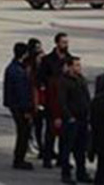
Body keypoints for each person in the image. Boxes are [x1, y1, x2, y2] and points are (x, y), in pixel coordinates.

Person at [38, 32, 70, 169]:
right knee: (50, 132)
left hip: (65, 99)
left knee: (65, 133)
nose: (66, 45)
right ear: (57, 43)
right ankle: (47, 157)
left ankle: (63, 159)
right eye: (63, 42)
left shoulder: (69, 58)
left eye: (67, 42)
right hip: (52, 99)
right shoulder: (48, 60)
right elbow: (41, 78)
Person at [58, 56, 91, 184]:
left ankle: (81, 172)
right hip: (72, 119)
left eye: (79, 65)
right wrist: (69, 116)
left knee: (81, 148)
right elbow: (62, 101)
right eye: (76, 65)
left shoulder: (81, 79)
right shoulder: (64, 81)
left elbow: (86, 97)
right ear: (70, 66)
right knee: (68, 147)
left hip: (83, 118)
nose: (79, 67)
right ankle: (66, 174)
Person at [4, 42, 34, 171]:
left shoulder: (14, 67)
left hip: (14, 104)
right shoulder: (18, 71)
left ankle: (19, 157)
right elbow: (22, 92)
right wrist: (27, 109)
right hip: (19, 106)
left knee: (23, 132)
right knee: (23, 132)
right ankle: (19, 159)